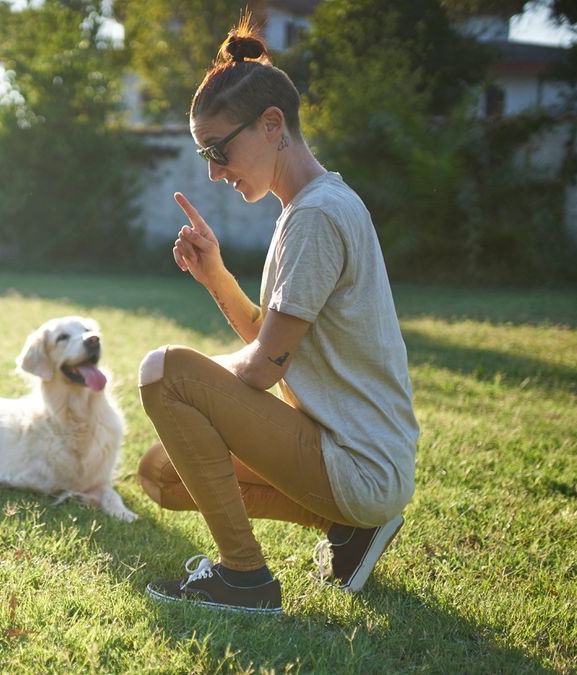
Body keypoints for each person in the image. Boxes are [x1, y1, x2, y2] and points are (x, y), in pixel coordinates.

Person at [137, 17, 419, 614]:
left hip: (359, 464)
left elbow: (264, 369)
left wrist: (195, 382)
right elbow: (273, 343)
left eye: (219, 150)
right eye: (204, 154)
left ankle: (244, 580)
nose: (213, 170)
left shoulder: (317, 215)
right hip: (341, 453)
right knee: (162, 473)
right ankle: (350, 532)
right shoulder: (304, 210)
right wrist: (214, 274)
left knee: (164, 371)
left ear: (272, 125)